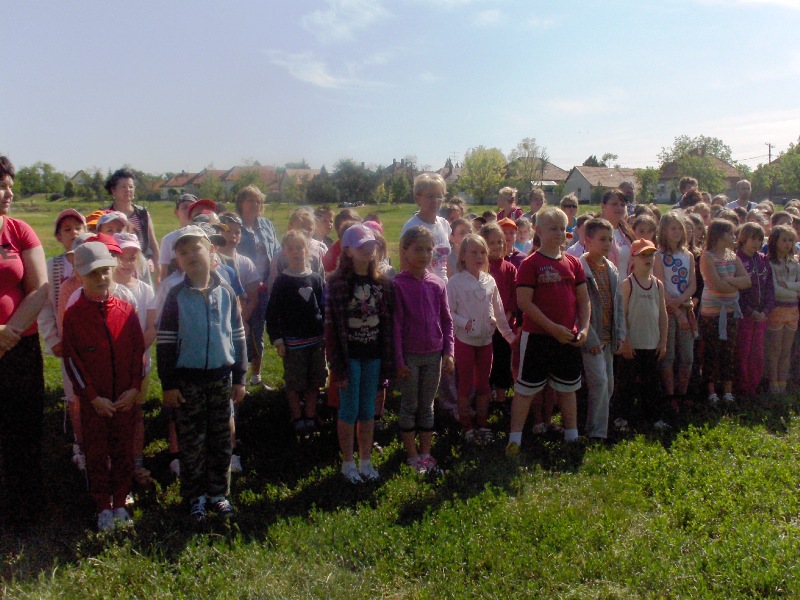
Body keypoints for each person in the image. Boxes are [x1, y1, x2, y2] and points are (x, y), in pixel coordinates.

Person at [157, 225, 248, 523]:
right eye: (183, 252)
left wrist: (240, 377)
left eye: (196, 248)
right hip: (187, 383)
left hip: (221, 380)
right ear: (178, 260)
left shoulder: (227, 292)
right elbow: (166, 343)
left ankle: (218, 494)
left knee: (221, 440)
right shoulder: (175, 296)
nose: (190, 255)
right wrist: (169, 384)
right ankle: (195, 496)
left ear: (211, 251)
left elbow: (238, 336)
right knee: (192, 442)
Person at [62, 241, 144, 531]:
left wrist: (134, 388)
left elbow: (138, 352)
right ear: (79, 276)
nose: (100, 278)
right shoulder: (74, 315)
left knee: (122, 451)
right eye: (92, 273)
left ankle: (120, 501)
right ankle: (102, 506)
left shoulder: (126, 310)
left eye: (105, 271)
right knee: (96, 453)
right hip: (95, 402)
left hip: (123, 399)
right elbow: (72, 360)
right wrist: (92, 397)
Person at [506, 208, 590, 455]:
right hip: (537, 338)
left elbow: (584, 300)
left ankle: (572, 436)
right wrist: (552, 328)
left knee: (567, 388)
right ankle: (514, 439)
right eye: (552, 228)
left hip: (567, 337)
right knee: (525, 390)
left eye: (562, 228)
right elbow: (524, 302)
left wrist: (584, 328)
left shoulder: (574, 263)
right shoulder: (530, 263)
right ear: (538, 231)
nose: (558, 233)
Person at [0, 156, 49, 526]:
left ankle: (25, 509)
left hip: (20, 348)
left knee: (24, 428)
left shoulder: (19, 231)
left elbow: (40, 289)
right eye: (1, 186)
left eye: (10, 186)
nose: (9, 193)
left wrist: (7, 334)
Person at [325, 224, 393, 483]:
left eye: (371, 245)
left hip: (373, 354)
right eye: (362, 246)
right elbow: (331, 329)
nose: (368, 249)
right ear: (348, 251)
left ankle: (365, 460)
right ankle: (348, 463)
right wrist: (336, 365)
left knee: (367, 410)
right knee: (349, 409)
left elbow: (387, 323)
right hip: (349, 356)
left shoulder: (381, 283)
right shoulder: (337, 284)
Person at [393, 227, 454, 472]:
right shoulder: (398, 285)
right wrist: (399, 360)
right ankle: (411, 454)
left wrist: (449, 352)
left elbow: (447, 321)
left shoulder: (437, 284)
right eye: (418, 249)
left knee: (428, 405)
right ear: (405, 251)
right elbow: (396, 326)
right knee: (410, 404)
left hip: (434, 355)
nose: (424, 255)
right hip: (410, 356)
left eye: (429, 250)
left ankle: (426, 453)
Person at [448, 234, 514, 444]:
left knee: (484, 385)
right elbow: (449, 312)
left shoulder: (489, 280)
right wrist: (465, 323)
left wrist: (509, 336)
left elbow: (499, 311)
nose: (479, 256)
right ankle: (467, 424)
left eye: (482, 252)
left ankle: (483, 423)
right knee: (466, 385)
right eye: (473, 252)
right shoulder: (455, 282)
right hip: (465, 342)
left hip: (486, 342)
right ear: (463, 256)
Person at [38, 209, 87, 470]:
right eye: (67, 229)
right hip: (67, 341)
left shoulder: (93, 260)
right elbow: (45, 305)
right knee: (74, 394)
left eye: (78, 227)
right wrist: (52, 338)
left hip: (94, 342)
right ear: (58, 237)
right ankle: (80, 444)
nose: (74, 233)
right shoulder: (53, 266)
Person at [266, 230, 326, 435]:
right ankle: (297, 417)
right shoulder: (282, 281)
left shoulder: (315, 278)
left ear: (307, 249)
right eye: (290, 248)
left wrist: (326, 334)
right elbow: (272, 313)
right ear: (284, 252)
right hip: (293, 343)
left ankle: (310, 415)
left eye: (299, 247)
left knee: (315, 381)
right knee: (294, 382)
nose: (296, 252)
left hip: (316, 340)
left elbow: (322, 307)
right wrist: (278, 340)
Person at [580, 218, 625, 440]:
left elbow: (618, 303)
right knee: (599, 382)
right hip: (592, 338)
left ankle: (600, 428)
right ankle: (595, 433)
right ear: (588, 241)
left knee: (608, 385)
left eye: (610, 240)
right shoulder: (581, 269)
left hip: (608, 336)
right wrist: (590, 338)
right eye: (602, 239)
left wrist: (620, 334)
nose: (607, 244)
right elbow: (579, 308)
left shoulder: (611, 268)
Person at [699, 219, 751, 405]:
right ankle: (711, 390)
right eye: (730, 233)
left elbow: (747, 281)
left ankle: (727, 390)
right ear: (719, 236)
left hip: (730, 311)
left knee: (728, 350)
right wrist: (734, 283)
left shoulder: (732, 256)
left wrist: (728, 282)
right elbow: (716, 285)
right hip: (712, 312)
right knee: (712, 350)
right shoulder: (707, 257)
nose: (733, 237)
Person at [618, 239, 669, 429]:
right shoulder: (628, 284)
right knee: (627, 383)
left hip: (652, 344)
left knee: (652, 384)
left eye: (651, 255)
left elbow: (663, 314)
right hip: (633, 345)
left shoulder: (658, 284)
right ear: (633, 258)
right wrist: (626, 341)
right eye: (643, 255)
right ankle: (622, 417)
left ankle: (654, 417)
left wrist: (663, 341)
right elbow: (622, 315)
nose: (648, 259)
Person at [234, 185, 280, 387]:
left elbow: (276, 251)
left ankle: (256, 376)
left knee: (258, 329)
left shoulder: (267, 225)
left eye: (258, 201)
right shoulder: (235, 225)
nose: (255, 204)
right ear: (241, 203)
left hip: (265, 287)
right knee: (240, 328)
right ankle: (238, 377)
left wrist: (272, 278)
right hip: (241, 287)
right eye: (250, 200)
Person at [653, 212, 696, 407]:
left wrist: (680, 303)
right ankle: (670, 396)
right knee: (668, 356)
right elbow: (660, 286)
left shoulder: (688, 255)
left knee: (687, 357)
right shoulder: (658, 256)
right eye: (673, 228)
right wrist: (676, 311)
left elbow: (692, 285)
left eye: (680, 228)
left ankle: (682, 393)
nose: (677, 232)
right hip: (667, 311)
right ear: (664, 230)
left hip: (685, 308)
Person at [735, 223, 774, 396]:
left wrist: (766, 310)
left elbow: (770, 288)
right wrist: (750, 311)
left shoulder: (764, 260)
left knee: (757, 352)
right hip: (744, 315)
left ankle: (753, 386)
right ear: (743, 238)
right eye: (753, 239)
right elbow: (738, 292)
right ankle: (742, 387)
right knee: (743, 351)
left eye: (760, 239)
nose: (757, 243)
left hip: (762, 315)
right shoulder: (737, 259)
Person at [481, 223, 518, 403]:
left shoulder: (510, 268)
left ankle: (501, 398)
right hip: (484, 325)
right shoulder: (482, 268)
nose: (497, 246)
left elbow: (513, 296)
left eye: (500, 242)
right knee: (486, 362)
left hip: (505, 326)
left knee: (502, 362)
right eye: (492, 242)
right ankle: (486, 397)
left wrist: (506, 318)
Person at [105, 169, 159, 285]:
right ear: (113, 190)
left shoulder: (143, 214)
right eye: (123, 187)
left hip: (140, 266)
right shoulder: (105, 216)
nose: (128, 190)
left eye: (130, 187)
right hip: (114, 267)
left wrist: (158, 271)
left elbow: (153, 244)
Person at [765, 224, 800, 394]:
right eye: (784, 240)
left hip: (792, 310)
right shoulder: (769, 263)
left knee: (787, 350)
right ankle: (773, 384)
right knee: (775, 349)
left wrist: (786, 285)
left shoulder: (795, 264)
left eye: (791, 240)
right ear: (775, 241)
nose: (788, 244)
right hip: (777, 310)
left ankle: (782, 384)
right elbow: (774, 290)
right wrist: (793, 289)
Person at [401, 173, 452, 281]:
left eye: (439, 196)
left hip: (443, 287)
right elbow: (404, 267)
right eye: (430, 196)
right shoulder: (411, 227)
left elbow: (445, 262)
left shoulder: (444, 224)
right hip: (422, 286)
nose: (435, 200)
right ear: (418, 198)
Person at [159, 193, 198, 280]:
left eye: (193, 207)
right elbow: (164, 273)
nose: (189, 211)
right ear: (176, 212)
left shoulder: (204, 236)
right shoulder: (168, 240)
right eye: (185, 207)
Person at [601, 189, 635, 277]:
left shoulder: (627, 233)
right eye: (614, 204)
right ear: (603, 206)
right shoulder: (596, 231)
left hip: (626, 284)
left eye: (622, 205)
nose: (619, 208)